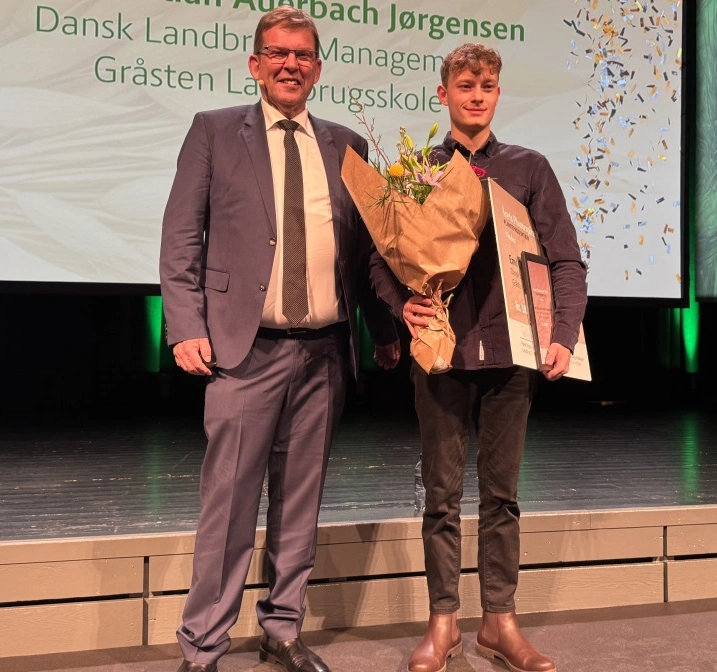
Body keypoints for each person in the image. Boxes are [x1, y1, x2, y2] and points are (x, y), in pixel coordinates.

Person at [159, 8, 399, 672]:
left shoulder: (348, 143)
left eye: (303, 55)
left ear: (317, 68)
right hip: (245, 351)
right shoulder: (213, 133)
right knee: (229, 506)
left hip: (323, 352)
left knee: (301, 501)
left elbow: (368, 253)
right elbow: (180, 237)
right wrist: (185, 326)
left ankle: (283, 630)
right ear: (255, 64)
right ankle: (203, 647)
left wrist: (383, 331)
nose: (291, 64)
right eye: (278, 53)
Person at [371, 43, 587, 672]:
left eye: (487, 86)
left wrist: (563, 335)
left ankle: (499, 622)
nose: (476, 95)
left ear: (498, 94)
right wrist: (400, 306)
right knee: (441, 495)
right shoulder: (417, 171)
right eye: (465, 85)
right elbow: (379, 260)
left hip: (512, 357)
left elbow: (566, 259)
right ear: (443, 95)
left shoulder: (528, 168)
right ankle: (444, 624)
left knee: (502, 495)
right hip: (441, 355)